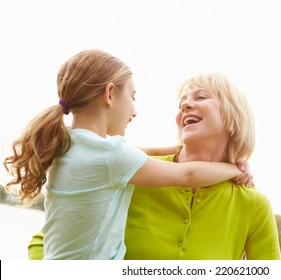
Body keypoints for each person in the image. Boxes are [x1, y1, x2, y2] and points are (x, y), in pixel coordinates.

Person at [2, 49, 248, 260]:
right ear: (109, 94)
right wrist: (236, 169)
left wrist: (177, 150)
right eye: (132, 97)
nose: (134, 110)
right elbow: (189, 174)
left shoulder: (67, 144)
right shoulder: (112, 157)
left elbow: (140, 152)